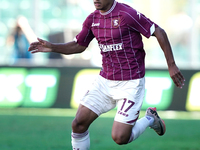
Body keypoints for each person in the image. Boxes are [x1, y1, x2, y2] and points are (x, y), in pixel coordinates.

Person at [28, 0, 185, 149]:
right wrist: (53, 47)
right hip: (105, 80)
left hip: (130, 82)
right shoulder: (92, 19)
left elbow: (158, 31)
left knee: (120, 138)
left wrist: (171, 65)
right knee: (78, 124)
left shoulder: (126, 14)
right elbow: (78, 45)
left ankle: (150, 118)